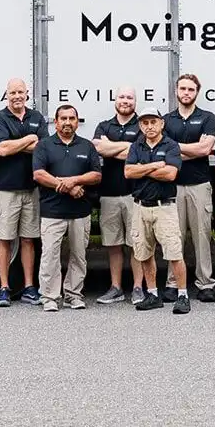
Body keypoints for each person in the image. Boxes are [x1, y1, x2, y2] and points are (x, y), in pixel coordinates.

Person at [31, 104, 102, 312]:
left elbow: (96, 175)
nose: (68, 122)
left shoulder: (87, 146)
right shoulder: (44, 145)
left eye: (72, 118)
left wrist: (74, 180)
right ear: (56, 122)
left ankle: (73, 294)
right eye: (63, 118)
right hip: (52, 211)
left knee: (79, 256)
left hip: (80, 212)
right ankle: (50, 297)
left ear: (77, 122)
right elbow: (38, 174)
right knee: (50, 256)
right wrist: (68, 187)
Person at [0, 78, 47, 307]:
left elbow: (42, 147)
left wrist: (16, 144)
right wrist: (29, 139)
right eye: (12, 93)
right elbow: (2, 149)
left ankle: (29, 287)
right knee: (4, 239)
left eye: (20, 92)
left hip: (31, 188)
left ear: (27, 93)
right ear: (7, 95)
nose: (17, 96)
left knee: (28, 239)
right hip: (5, 189)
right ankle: (4, 288)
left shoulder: (36, 117)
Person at [127, 106, 191, 315]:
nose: (149, 126)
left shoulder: (171, 145)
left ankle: (182, 295)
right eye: (145, 122)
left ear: (162, 123)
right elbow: (128, 172)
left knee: (174, 253)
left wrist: (142, 168)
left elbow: (170, 174)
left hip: (164, 208)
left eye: (153, 121)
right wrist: (155, 166)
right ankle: (153, 294)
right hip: (140, 207)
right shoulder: (136, 146)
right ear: (140, 125)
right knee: (144, 254)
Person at [162, 74, 215, 302]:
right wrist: (192, 148)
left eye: (191, 89)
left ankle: (205, 284)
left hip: (200, 185)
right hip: (173, 186)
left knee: (202, 236)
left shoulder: (207, 117)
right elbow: (164, 152)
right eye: (183, 89)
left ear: (197, 92)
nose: (186, 93)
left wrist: (176, 148)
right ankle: (173, 283)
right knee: (174, 237)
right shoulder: (166, 120)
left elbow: (205, 150)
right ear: (176, 91)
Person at [90, 87, 141, 305]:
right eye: (122, 97)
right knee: (113, 244)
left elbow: (138, 151)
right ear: (115, 100)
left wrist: (111, 147)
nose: (125, 101)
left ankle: (138, 288)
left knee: (137, 243)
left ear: (135, 101)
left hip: (134, 194)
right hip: (109, 194)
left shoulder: (141, 125)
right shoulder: (104, 125)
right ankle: (116, 287)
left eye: (129, 97)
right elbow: (98, 148)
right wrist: (127, 146)